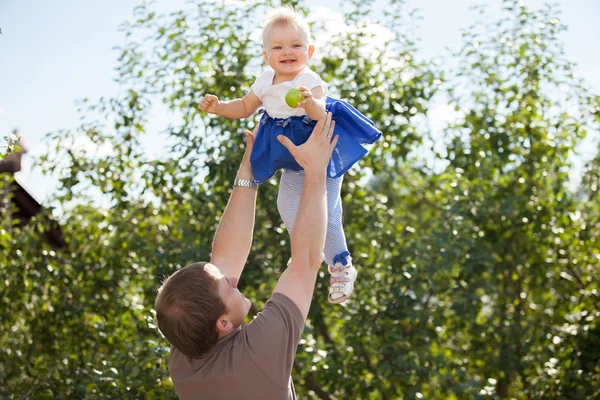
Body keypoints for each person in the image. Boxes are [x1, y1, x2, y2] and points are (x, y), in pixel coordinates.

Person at [199, 6, 381, 303]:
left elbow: (321, 112)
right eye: (278, 46)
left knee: (328, 208)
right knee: (287, 204)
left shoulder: (307, 80)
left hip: (322, 148)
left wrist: (308, 103)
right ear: (266, 56)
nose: (287, 52)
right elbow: (244, 108)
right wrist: (219, 107)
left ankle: (341, 264)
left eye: (295, 45)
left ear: (308, 51)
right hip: (292, 156)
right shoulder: (264, 81)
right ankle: (308, 248)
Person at [155, 114, 338, 399]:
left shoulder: (186, 350)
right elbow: (305, 262)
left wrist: (248, 169)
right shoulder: (258, 355)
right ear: (223, 323)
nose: (231, 278)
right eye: (225, 285)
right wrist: (315, 170)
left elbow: (225, 259)